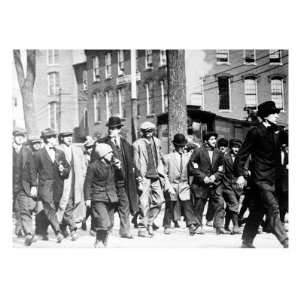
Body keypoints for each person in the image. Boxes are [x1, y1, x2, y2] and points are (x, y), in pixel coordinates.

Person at [234, 101, 288, 248]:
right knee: (273, 207)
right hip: (260, 178)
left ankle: (246, 240)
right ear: (265, 116)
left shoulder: (278, 131)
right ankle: (286, 241)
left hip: (273, 178)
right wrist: (239, 175)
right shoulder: (255, 132)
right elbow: (241, 155)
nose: (277, 115)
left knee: (258, 210)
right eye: (274, 113)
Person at [98, 116, 138, 239]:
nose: (111, 130)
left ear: (119, 129)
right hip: (109, 181)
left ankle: (125, 231)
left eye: (114, 128)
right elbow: (96, 163)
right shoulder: (102, 143)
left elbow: (131, 163)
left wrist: (137, 176)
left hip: (123, 181)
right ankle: (108, 230)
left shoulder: (126, 144)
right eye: (110, 128)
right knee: (110, 206)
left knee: (124, 205)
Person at [133, 121, 173, 237]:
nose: (149, 133)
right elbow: (136, 163)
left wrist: (163, 172)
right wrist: (139, 178)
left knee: (160, 200)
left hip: (156, 175)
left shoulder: (157, 142)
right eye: (147, 131)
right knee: (144, 203)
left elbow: (160, 157)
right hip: (144, 176)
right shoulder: (137, 144)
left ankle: (149, 222)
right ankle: (142, 228)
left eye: (151, 131)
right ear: (143, 132)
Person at [34, 128, 70, 243]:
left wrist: (63, 170)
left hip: (58, 185)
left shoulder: (60, 152)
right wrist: (34, 186)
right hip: (45, 185)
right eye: (51, 137)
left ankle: (41, 231)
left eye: (54, 136)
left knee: (51, 208)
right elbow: (32, 172)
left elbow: (68, 169)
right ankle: (58, 231)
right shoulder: (38, 154)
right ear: (45, 140)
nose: (54, 139)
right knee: (49, 207)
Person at [84, 143, 121, 247]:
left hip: (111, 197)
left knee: (110, 223)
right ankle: (99, 240)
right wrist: (87, 198)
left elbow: (121, 179)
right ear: (103, 154)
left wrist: (119, 168)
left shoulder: (112, 165)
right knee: (103, 221)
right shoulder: (93, 166)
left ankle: (104, 239)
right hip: (98, 197)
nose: (111, 155)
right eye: (109, 153)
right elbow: (87, 183)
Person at [162, 134, 200, 235]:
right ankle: (167, 225)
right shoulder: (167, 158)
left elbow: (193, 169)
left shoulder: (188, 157)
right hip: (172, 185)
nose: (182, 148)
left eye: (183, 146)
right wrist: (167, 186)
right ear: (175, 146)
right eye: (179, 146)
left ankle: (191, 224)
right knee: (170, 205)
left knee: (187, 205)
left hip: (184, 185)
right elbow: (164, 174)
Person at [189, 131, 225, 234]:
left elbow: (221, 169)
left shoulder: (219, 153)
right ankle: (198, 226)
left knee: (220, 203)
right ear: (206, 141)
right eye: (212, 139)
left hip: (214, 184)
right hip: (201, 184)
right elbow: (192, 167)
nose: (214, 141)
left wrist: (215, 176)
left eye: (215, 139)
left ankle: (219, 226)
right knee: (199, 205)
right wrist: (203, 177)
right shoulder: (198, 151)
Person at [56, 131, 86, 241]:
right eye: (66, 137)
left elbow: (83, 166)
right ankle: (73, 229)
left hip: (76, 182)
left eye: (70, 136)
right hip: (63, 183)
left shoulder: (77, 150)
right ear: (62, 138)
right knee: (66, 204)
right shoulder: (58, 149)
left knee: (72, 204)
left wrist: (83, 177)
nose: (69, 138)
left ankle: (63, 227)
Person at [12, 128, 38, 246]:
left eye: (22, 136)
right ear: (14, 137)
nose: (20, 138)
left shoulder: (27, 151)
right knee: (17, 209)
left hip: (23, 186)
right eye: (18, 136)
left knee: (24, 209)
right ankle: (19, 230)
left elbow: (32, 170)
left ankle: (29, 233)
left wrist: (34, 185)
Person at [221, 138, 244, 234]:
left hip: (238, 186)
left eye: (238, 147)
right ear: (231, 147)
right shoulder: (225, 157)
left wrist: (245, 174)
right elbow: (222, 171)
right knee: (234, 204)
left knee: (230, 207)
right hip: (227, 185)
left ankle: (226, 225)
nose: (236, 149)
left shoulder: (242, 157)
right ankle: (235, 226)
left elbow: (245, 170)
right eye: (234, 147)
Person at [206, 137, 228, 227]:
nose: (223, 148)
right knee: (213, 201)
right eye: (221, 146)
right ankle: (209, 218)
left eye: (225, 146)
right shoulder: (216, 155)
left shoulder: (227, 155)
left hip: (225, 181)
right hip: (216, 182)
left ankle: (220, 221)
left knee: (220, 202)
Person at [81, 136, 95, 233]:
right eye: (88, 148)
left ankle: (89, 223)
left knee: (94, 204)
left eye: (92, 147)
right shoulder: (84, 158)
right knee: (88, 204)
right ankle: (84, 220)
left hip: (95, 183)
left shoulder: (96, 156)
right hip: (87, 182)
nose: (90, 149)